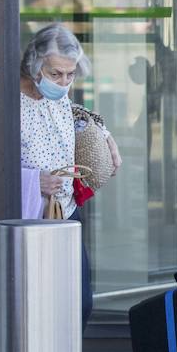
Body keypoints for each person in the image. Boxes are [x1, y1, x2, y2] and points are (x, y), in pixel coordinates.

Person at [18, 24, 121, 329]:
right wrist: (32, 181)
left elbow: (77, 113)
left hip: (64, 213)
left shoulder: (59, 97)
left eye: (70, 74)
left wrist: (106, 136)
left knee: (79, 303)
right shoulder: (7, 104)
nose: (64, 82)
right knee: (35, 309)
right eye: (55, 74)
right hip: (26, 222)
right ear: (34, 66)